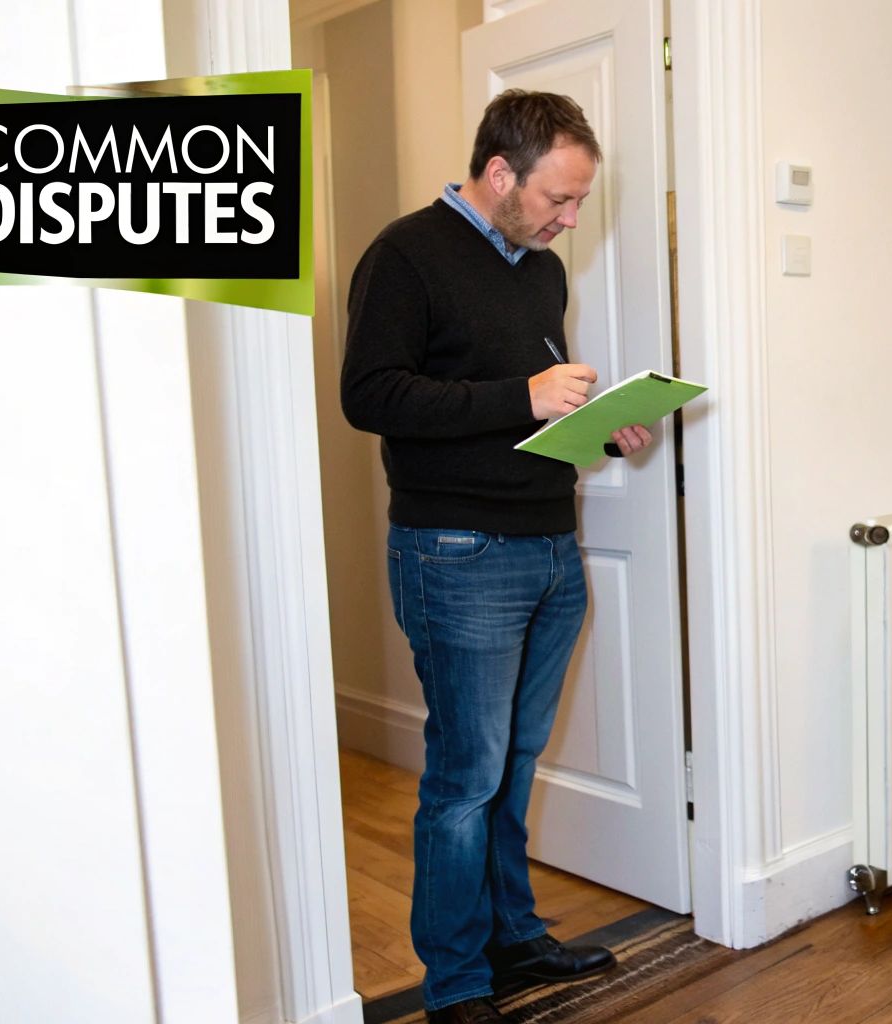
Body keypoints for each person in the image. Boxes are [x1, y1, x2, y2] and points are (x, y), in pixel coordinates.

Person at [340, 89, 654, 1024]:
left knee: (513, 767)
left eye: (580, 201)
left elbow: (529, 411)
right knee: (464, 782)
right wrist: (525, 395)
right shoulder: (405, 254)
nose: (570, 219)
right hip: (457, 553)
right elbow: (372, 395)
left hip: (551, 546)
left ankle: (513, 938)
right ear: (499, 173)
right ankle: (456, 985)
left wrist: (601, 429)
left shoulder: (541, 271)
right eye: (559, 198)